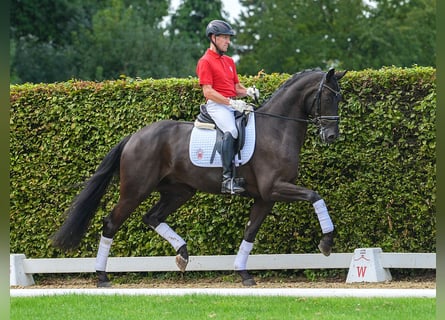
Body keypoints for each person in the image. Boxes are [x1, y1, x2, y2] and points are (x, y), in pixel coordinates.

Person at [196, 19, 259, 195]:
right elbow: (208, 92)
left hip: (231, 104)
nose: (228, 41)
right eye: (224, 38)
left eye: (228, 38)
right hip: (217, 106)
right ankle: (227, 180)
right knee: (232, 130)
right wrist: (231, 103)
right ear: (213, 37)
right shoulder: (205, 61)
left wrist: (248, 92)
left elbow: (236, 89)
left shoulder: (230, 61)